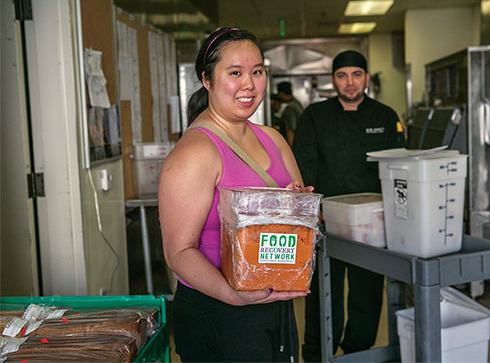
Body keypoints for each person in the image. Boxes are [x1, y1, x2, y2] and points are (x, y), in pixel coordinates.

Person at [158, 27, 313, 362]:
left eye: (257, 71)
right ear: (207, 80)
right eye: (235, 73)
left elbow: (297, 221)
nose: (249, 84)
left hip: (275, 307)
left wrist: (295, 207)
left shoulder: (274, 139)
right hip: (219, 313)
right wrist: (235, 295)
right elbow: (179, 252)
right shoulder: (195, 153)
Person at [292, 50, 405, 362]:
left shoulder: (385, 116)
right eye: (342, 75)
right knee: (321, 297)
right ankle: (316, 355)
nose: (350, 82)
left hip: (372, 224)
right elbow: (305, 163)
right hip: (325, 221)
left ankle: (356, 352)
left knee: (366, 295)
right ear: (333, 81)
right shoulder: (315, 116)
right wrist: (314, 208)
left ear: (366, 78)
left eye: (357, 74)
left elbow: (396, 168)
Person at [277, 81, 304, 146]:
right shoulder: (297, 103)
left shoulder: (290, 108)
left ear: (282, 94)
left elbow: (290, 131)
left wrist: (291, 152)